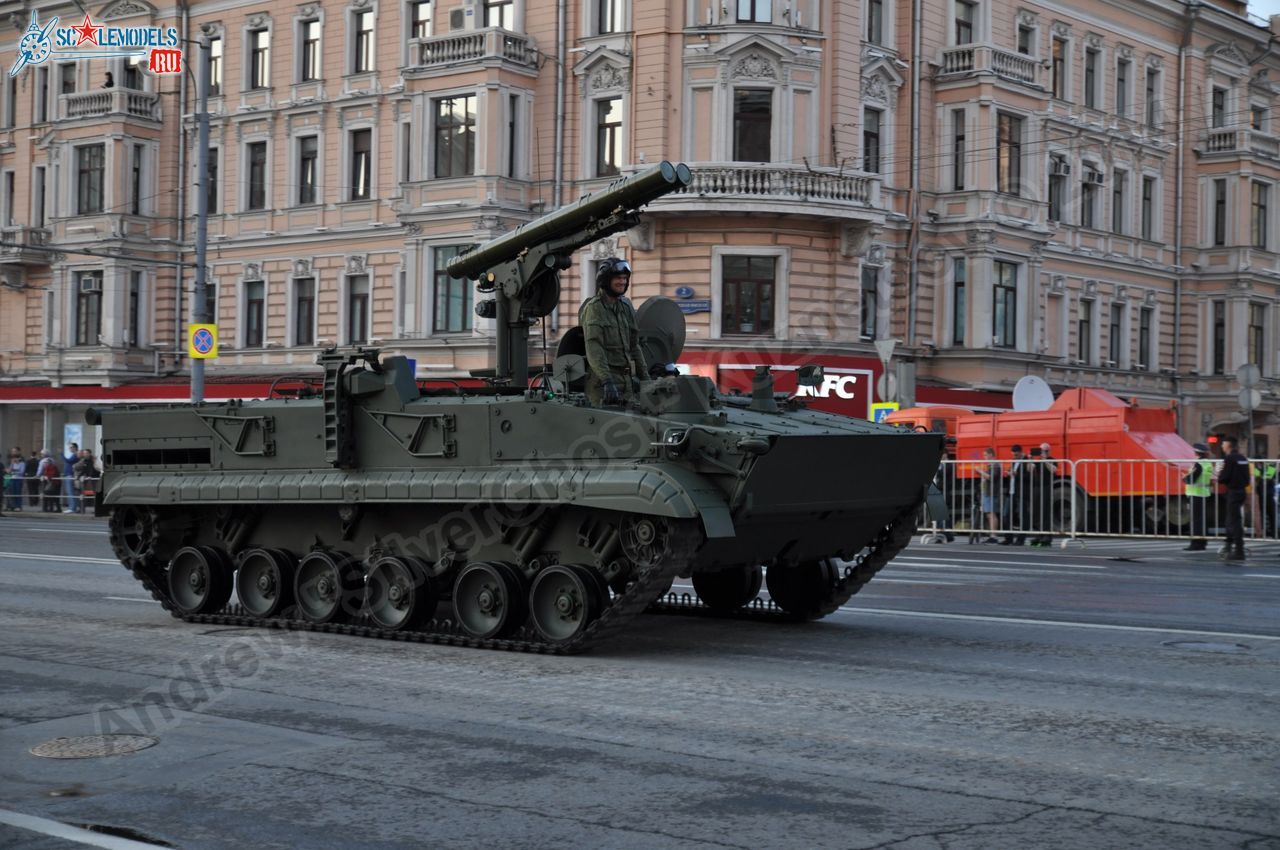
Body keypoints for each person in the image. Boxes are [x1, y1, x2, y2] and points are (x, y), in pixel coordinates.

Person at [578, 257, 648, 407]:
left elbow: (634, 346)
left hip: (626, 382)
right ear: (606, 280)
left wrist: (647, 381)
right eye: (618, 278)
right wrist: (607, 381)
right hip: (603, 386)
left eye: (624, 278)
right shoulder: (594, 308)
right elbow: (594, 347)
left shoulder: (626, 307)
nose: (622, 282)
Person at [1217, 436, 1250, 561]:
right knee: (1233, 520)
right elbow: (1247, 478)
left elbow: (1223, 478)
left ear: (1228, 445)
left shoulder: (1229, 458)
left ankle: (1238, 551)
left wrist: (1219, 475)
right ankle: (1230, 546)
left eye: (1223, 444)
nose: (1222, 446)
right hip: (1242, 491)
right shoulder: (1243, 458)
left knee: (1233, 521)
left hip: (1233, 492)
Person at [1183, 442, 1214, 551]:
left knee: (1196, 521)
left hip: (1195, 494)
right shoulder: (1207, 463)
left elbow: (1191, 479)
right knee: (1202, 520)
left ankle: (1195, 544)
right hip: (1204, 494)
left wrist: (1184, 478)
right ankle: (1203, 543)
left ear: (1196, 452)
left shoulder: (1198, 464)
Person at [1001, 444, 1027, 545]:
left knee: (1022, 515)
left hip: (1021, 492)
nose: (1014, 456)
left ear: (1021, 452)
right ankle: (1008, 538)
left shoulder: (1026, 460)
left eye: (1016, 455)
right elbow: (1011, 473)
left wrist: (1016, 474)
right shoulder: (1013, 461)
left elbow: (1029, 476)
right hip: (1011, 491)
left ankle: (1021, 539)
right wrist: (1007, 473)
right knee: (1006, 514)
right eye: (1013, 455)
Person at [976, 447, 1002, 543]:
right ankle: (992, 535)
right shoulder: (991, 465)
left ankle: (993, 536)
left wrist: (980, 471)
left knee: (991, 514)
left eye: (986, 455)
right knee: (989, 514)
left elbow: (991, 477)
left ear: (991, 454)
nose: (984, 457)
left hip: (991, 493)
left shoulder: (995, 465)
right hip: (988, 492)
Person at [62, 442, 79, 513]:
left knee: (70, 492)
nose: (70, 449)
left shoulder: (75, 455)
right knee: (70, 492)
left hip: (70, 475)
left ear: (75, 448)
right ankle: (73, 507)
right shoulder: (73, 455)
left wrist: (61, 454)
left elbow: (68, 461)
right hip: (68, 475)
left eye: (71, 447)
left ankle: (72, 508)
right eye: (69, 447)